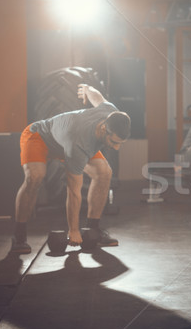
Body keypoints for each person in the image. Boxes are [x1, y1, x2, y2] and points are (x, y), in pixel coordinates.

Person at [11, 84, 131, 254]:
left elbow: (98, 98)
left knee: (104, 172)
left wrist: (88, 89)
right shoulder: (78, 142)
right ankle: (19, 235)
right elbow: (73, 191)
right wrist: (73, 230)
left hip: (66, 141)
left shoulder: (111, 113)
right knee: (36, 176)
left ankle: (93, 231)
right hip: (39, 137)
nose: (116, 148)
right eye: (114, 142)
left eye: (121, 143)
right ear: (104, 128)